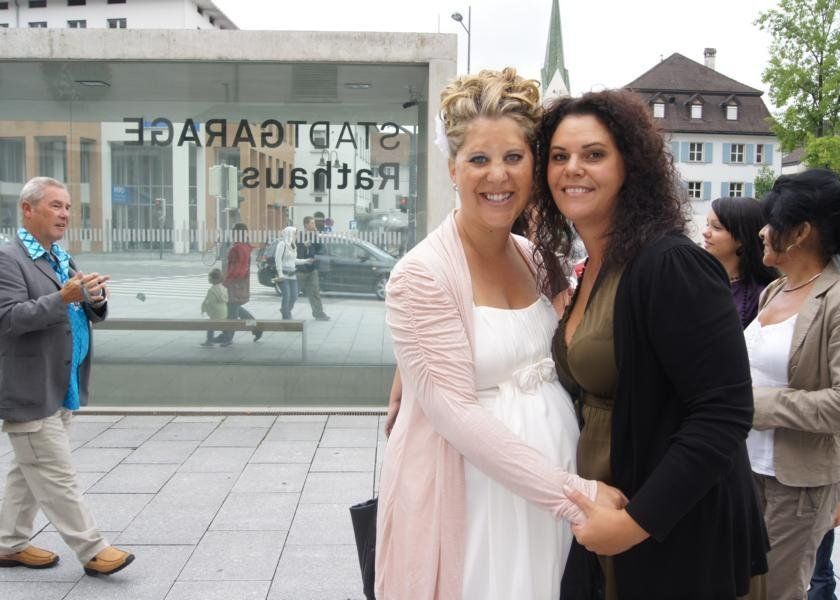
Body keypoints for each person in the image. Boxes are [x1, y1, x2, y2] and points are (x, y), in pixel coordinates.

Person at [376, 68, 622, 600]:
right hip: (480, 500)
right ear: (452, 167)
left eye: (513, 157)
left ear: (533, 165)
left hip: (550, 494)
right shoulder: (422, 275)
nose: (498, 176)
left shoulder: (537, 259)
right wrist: (574, 494)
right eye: (478, 160)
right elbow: (457, 416)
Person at [532, 91, 768, 599]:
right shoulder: (596, 266)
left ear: (630, 167)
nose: (572, 169)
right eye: (558, 156)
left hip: (672, 528)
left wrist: (638, 522)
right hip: (606, 514)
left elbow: (724, 412)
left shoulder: (670, 263)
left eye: (594, 154)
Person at [745, 168, 840, 600]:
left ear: (801, 232)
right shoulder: (775, 291)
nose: (762, 232)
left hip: (797, 483)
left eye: (772, 222)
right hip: (746, 467)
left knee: (775, 591)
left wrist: (754, 405)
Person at [0, 176, 135, 576]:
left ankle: (7, 543)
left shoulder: (58, 256)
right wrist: (63, 297)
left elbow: (76, 307)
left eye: (68, 207)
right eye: (56, 206)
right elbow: (9, 319)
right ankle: (93, 549)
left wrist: (95, 298)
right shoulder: (9, 259)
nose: (65, 214)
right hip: (30, 385)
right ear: (27, 210)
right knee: (55, 473)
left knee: (29, 470)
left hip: (62, 382)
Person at [703, 196, 779, 327]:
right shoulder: (696, 278)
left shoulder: (763, 295)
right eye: (707, 224)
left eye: (716, 227)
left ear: (742, 238)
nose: (705, 232)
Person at [220, 223, 262, 345]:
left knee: (232, 311)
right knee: (235, 308)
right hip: (241, 283)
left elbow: (237, 268)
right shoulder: (245, 246)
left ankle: (228, 336)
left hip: (234, 284)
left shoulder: (237, 248)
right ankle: (256, 327)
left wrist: (226, 281)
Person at [272, 225, 311, 319]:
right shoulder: (282, 244)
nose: (296, 236)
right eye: (295, 234)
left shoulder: (293, 245)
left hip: (292, 275)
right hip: (283, 274)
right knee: (287, 296)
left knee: (294, 296)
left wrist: (306, 261)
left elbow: (293, 260)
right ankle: (286, 315)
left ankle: (285, 310)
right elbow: (278, 260)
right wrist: (280, 274)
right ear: (289, 234)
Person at [297, 216, 330, 321]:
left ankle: (319, 313)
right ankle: (286, 310)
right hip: (301, 270)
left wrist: (317, 235)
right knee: (294, 293)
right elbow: (298, 252)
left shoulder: (314, 236)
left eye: (314, 223)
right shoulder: (299, 236)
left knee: (315, 292)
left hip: (312, 269)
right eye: (312, 223)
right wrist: (304, 245)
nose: (314, 225)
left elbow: (320, 247)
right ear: (306, 225)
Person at [200, 267, 228, 347]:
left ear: (213, 279)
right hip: (224, 312)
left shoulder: (211, 290)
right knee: (223, 326)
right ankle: (227, 338)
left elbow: (210, 302)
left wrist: (204, 308)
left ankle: (209, 341)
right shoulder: (224, 288)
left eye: (210, 277)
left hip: (215, 313)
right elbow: (226, 299)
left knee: (210, 326)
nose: (208, 278)